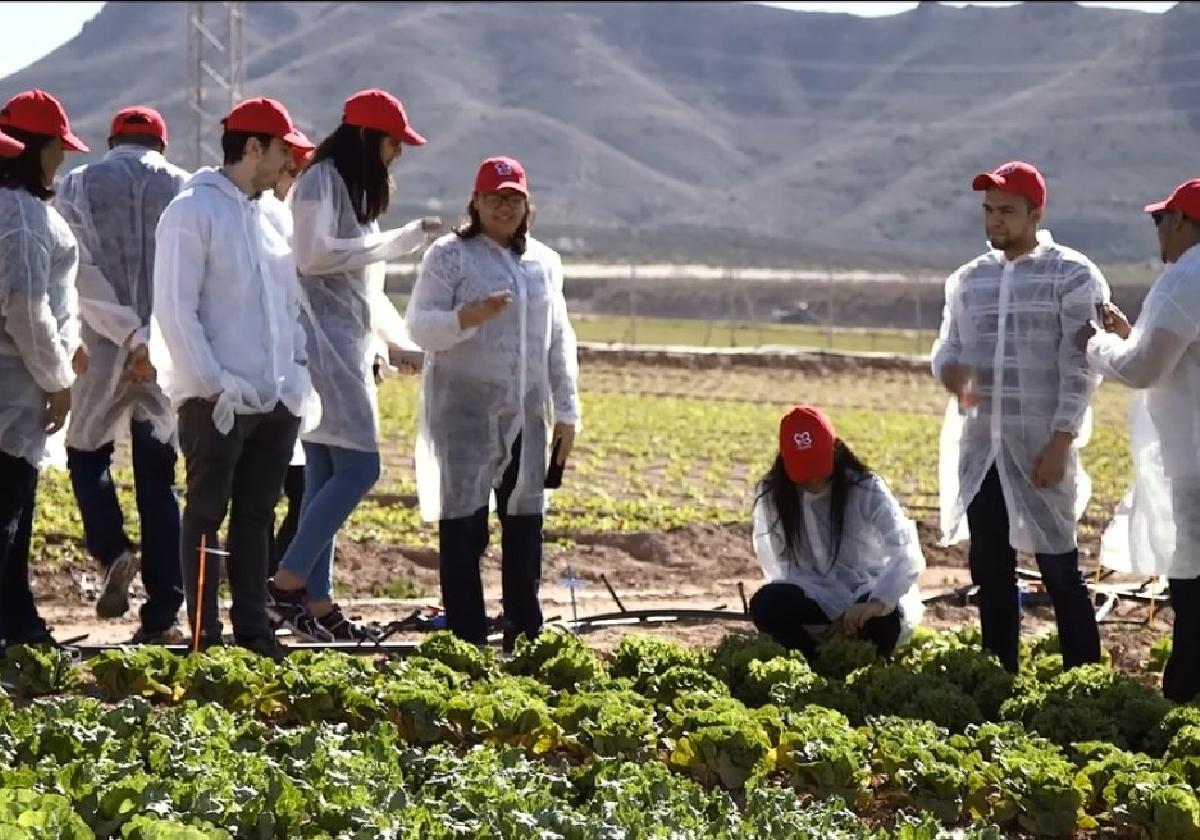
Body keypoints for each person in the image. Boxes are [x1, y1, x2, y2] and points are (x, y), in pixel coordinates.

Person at [267, 89, 439, 642]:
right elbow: (315, 258)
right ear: (368, 138)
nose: (398, 154)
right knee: (362, 470)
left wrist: (396, 343)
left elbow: (363, 290)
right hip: (324, 349)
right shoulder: (320, 181)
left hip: (346, 344)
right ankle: (287, 581)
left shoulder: (344, 189)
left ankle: (317, 603)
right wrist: (399, 242)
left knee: (325, 477)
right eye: (393, 142)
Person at [149, 97, 314, 659]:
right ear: (253, 148)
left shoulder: (272, 214)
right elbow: (175, 309)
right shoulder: (192, 211)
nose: (288, 159)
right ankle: (204, 638)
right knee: (205, 514)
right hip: (214, 398)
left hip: (271, 398)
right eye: (282, 149)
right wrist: (214, 385)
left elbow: (288, 306)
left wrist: (292, 379)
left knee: (255, 518)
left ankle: (254, 636)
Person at [932, 160, 1107, 675]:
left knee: (1058, 569)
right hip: (982, 448)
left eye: (1006, 211)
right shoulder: (967, 281)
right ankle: (999, 674)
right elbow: (947, 349)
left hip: (1040, 447)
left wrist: (1061, 440)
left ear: (1036, 213)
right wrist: (950, 373)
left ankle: (1084, 678)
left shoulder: (1072, 274)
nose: (994, 221)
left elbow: (1080, 368)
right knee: (990, 568)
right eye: (989, 211)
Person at [405, 155, 581, 652]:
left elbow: (558, 339)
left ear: (527, 205)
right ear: (476, 202)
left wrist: (567, 410)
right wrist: (467, 316)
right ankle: (466, 637)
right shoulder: (450, 256)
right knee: (463, 527)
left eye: (513, 198)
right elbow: (420, 326)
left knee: (524, 524)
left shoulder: (544, 263)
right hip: (463, 414)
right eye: (494, 198)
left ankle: (524, 634)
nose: (504, 207)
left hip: (526, 413)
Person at [54, 106, 190, 644]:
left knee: (87, 454)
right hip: (164, 352)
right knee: (159, 476)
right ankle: (165, 614)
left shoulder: (78, 185)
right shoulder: (186, 189)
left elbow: (78, 270)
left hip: (102, 346)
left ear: (112, 140)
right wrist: (149, 338)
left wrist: (127, 334)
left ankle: (112, 550)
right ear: (161, 143)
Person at [1076, 178, 1200, 703]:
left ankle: (1181, 708)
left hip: (1196, 465)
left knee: (1193, 598)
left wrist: (1099, 345)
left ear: (1182, 223)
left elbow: (1147, 369)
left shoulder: (1186, 277)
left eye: (1161, 221)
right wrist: (1132, 337)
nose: (1158, 232)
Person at [0, 90, 89, 648]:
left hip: (21, 369)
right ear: (39, 148)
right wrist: (58, 382)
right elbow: (28, 309)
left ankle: (19, 619)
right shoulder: (25, 218)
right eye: (58, 148)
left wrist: (68, 343)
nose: (62, 159)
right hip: (14, 380)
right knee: (8, 506)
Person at [749, 405, 925, 658]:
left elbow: (906, 551)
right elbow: (780, 568)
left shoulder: (865, 488)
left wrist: (875, 603)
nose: (813, 481)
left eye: (818, 469)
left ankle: (866, 660)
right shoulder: (773, 496)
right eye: (803, 473)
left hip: (867, 590)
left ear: (835, 451)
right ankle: (813, 658)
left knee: (881, 624)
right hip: (815, 596)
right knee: (768, 605)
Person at [263, 136, 313, 579]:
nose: (294, 181)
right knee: (265, 494)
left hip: (295, 384)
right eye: (291, 170)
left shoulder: (295, 224)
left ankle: (272, 581)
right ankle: (267, 585)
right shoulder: (263, 221)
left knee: (300, 488)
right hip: (264, 384)